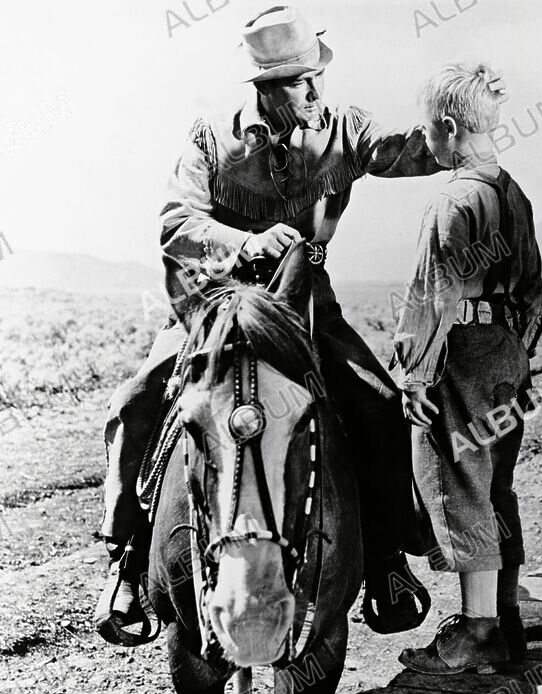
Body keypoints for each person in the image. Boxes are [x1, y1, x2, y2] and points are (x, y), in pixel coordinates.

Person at [95, 6, 441, 645]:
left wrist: (455, 138)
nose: (316, 93)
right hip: (212, 307)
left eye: (315, 78)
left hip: (304, 304)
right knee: (137, 402)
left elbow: (404, 151)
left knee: (378, 400)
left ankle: (389, 557)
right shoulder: (209, 138)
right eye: (301, 82)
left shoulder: (342, 127)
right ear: (265, 89)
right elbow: (175, 224)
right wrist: (242, 242)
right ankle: (124, 555)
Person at [392, 62, 542, 675]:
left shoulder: (452, 199)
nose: (426, 144)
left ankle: (477, 632)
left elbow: (432, 297)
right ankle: (503, 615)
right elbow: (533, 289)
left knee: (455, 479)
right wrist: (520, 349)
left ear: (450, 129)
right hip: (505, 348)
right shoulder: (514, 193)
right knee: (496, 481)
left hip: (463, 351)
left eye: (429, 134)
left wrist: (416, 374)